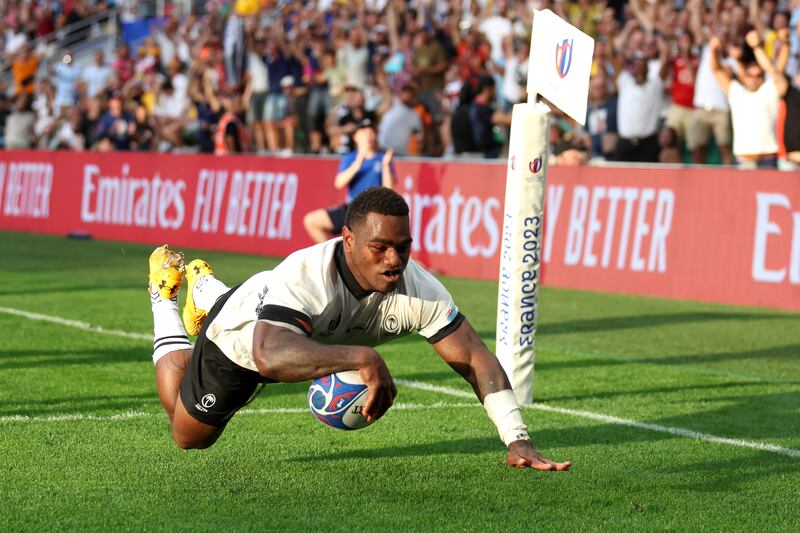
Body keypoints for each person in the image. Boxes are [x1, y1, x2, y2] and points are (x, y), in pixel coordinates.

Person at [147, 186, 571, 470]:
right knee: (188, 435)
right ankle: (166, 296)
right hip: (242, 335)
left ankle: (206, 288)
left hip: (299, 333)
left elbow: (474, 357)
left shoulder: (419, 289)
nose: (393, 260)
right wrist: (361, 357)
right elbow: (269, 354)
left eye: (402, 248)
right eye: (380, 247)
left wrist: (516, 437)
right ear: (347, 239)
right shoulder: (308, 273)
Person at [304, 120, 395, 244]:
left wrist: (385, 165)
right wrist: (357, 164)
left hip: (373, 212)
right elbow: (339, 183)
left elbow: (388, 190)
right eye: (363, 132)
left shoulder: (383, 158)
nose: (368, 135)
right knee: (311, 221)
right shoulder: (351, 157)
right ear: (355, 137)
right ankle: (334, 255)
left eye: (371, 132)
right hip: (352, 208)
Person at [709, 32, 780, 168]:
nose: (754, 79)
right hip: (743, 159)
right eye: (750, 75)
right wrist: (713, 50)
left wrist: (757, 47)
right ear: (744, 77)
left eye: (758, 75)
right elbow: (717, 70)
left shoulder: (769, 90)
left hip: (768, 158)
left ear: (763, 77)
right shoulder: (736, 92)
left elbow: (775, 72)